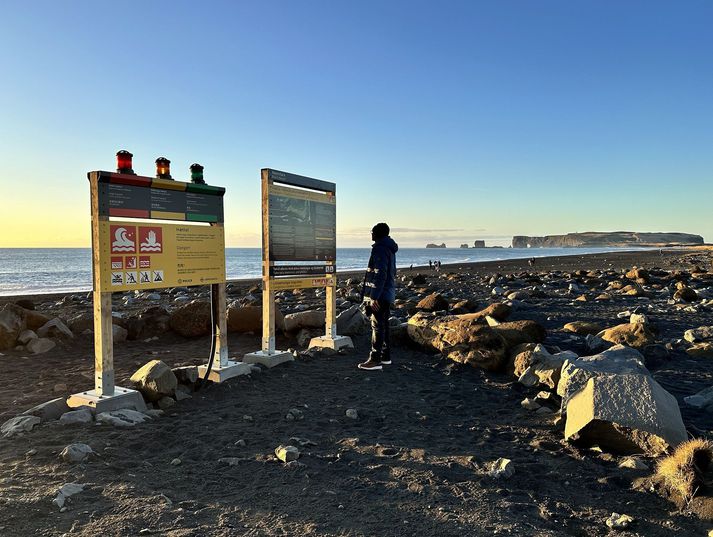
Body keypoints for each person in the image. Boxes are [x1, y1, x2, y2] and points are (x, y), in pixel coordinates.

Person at [359, 223, 398, 371]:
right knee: (384, 325)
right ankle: (385, 357)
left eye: (372, 232)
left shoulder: (380, 249)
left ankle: (375, 360)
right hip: (387, 293)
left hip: (380, 295)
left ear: (377, 234)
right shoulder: (389, 248)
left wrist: (373, 297)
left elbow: (380, 274)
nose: (371, 234)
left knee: (377, 326)